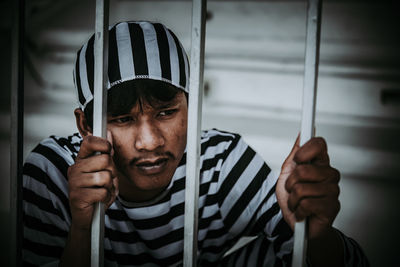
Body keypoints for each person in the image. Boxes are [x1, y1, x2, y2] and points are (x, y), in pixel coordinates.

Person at [22, 21, 368, 267]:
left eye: (167, 112)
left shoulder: (221, 162)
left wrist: (316, 237)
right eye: (122, 119)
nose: (149, 141)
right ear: (84, 125)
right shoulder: (54, 171)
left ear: (191, 107)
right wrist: (82, 228)